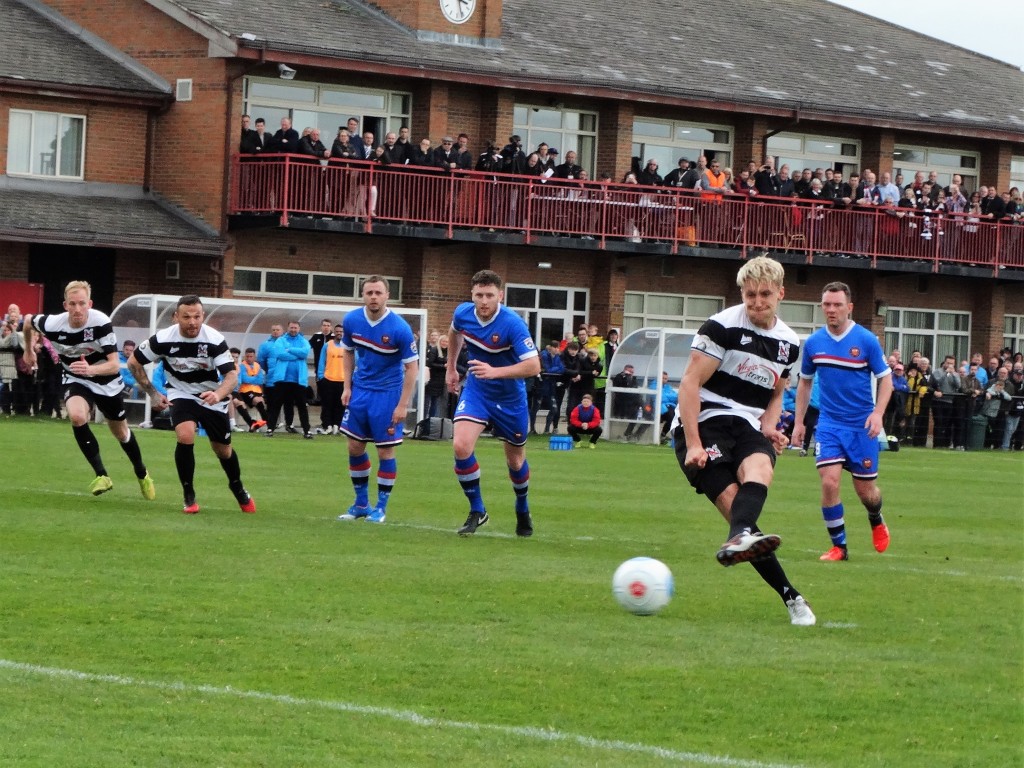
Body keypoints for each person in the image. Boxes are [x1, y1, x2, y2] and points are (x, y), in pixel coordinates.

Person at [675, 255, 815, 626]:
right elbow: (689, 384)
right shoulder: (720, 328)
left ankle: (738, 537)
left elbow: (775, 392)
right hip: (703, 424)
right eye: (750, 294)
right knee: (741, 513)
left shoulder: (788, 342)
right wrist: (692, 443)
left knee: (761, 467)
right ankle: (791, 596)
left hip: (745, 425)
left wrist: (770, 426)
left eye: (765, 294)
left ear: (781, 293)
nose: (756, 302)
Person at [21, 280, 155, 499]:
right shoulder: (53, 324)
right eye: (72, 304)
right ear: (65, 305)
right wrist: (28, 351)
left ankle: (142, 473)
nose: (77, 309)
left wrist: (91, 369)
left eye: (82, 304)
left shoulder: (101, 322)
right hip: (76, 378)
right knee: (76, 416)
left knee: (120, 432)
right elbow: (28, 321)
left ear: (89, 304)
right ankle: (101, 475)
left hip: (106, 379)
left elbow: (114, 364)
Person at [793, 281, 892, 562]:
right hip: (829, 424)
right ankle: (840, 547)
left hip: (862, 426)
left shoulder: (866, 341)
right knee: (829, 482)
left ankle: (875, 518)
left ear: (849, 307)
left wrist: (878, 413)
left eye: (837, 305)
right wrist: (799, 423)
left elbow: (885, 380)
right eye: (827, 304)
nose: (831, 309)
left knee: (866, 492)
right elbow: (804, 384)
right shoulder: (813, 344)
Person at [129, 295, 255, 515]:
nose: (192, 322)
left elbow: (232, 376)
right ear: (175, 317)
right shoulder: (162, 339)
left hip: (211, 395)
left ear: (203, 316)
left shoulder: (214, 339)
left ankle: (237, 485)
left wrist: (218, 394)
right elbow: (134, 362)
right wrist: (154, 394)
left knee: (223, 450)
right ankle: (189, 494)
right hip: (181, 393)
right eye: (186, 317)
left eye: (197, 316)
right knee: (185, 435)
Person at [446, 270, 541, 536]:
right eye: (479, 295)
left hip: (510, 398)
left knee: (515, 461)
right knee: (461, 445)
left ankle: (522, 506)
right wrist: (451, 368)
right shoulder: (463, 313)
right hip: (477, 390)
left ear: (500, 295)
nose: (484, 301)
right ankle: (478, 509)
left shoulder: (513, 324)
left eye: (489, 295)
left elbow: (534, 366)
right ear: (472, 295)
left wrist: (495, 371)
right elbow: (454, 333)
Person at [337, 276, 418, 524]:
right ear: (363, 295)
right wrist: (347, 386)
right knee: (354, 446)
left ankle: (380, 508)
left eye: (378, 292)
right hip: (360, 391)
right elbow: (348, 353)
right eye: (369, 292)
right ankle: (361, 504)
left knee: (384, 450)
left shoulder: (399, 328)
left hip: (387, 394)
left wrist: (403, 404)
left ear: (387, 295)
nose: (373, 297)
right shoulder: (352, 320)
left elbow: (412, 368)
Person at [266, 321, 313, 439]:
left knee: (302, 405)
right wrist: (297, 354)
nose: (293, 330)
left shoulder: (303, 341)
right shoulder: (280, 340)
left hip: (299, 380)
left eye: (295, 328)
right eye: (291, 327)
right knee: (276, 404)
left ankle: (306, 431)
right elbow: (280, 354)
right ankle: (270, 428)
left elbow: (305, 353)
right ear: (288, 328)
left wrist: (290, 349)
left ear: (299, 329)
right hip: (282, 379)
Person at [316, 324, 346, 435]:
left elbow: (354, 362)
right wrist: (321, 376)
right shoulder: (328, 345)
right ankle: (327, 425)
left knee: (340, 405)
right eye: (337, 331)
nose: (339, 333)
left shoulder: (348, 346)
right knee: (327, 404)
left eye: (341, 331)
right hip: (328, 379)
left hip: (343, 380)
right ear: (334, 332)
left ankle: (337, 425)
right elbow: (321, 361)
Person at [234, 347, 268, 432]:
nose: (249, 358)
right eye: (247, 356)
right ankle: (266, 422)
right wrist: (255, 379)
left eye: (251, 356)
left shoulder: (258, 366)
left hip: (257, 390)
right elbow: (245, 379)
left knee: (261, 402)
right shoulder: (242, 366)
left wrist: (252, 379)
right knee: (257, 400)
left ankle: (266, 422)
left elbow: (261, 380)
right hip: (245, 390)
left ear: (254, 357)